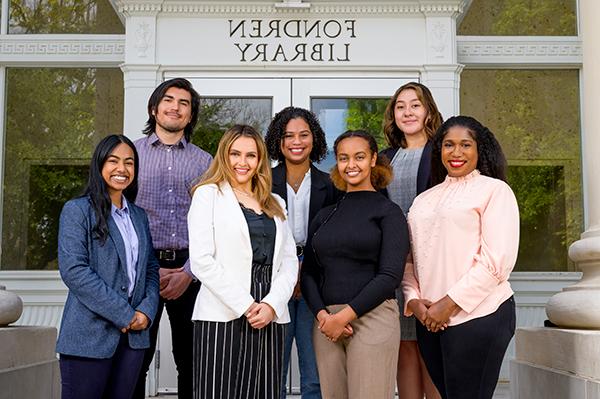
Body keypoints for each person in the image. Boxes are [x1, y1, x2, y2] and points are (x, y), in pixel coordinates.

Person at [403, 116, 519, 399]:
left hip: (480, 314)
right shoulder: (423, 200)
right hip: (430, 320)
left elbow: (496, 262)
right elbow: (410, 261)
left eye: (465, 145)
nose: (456, 153)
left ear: (479, 150)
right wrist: (414, 301)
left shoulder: (494, 190)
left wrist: (448, 303)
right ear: (438, 150)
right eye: (448, 145)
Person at [188, 124, 298, 399]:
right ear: (224, 156)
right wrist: (247, 305)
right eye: (235, 154)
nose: (242, 162)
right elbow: (201, 261)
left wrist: (272, 305)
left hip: (269, 312)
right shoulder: (207, 194)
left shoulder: (275, 202)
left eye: (251, 155)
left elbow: (288, 261)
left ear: (260, 160)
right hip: (223, 312)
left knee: (263, 392)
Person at [301, 130, 410, 399]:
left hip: (372, 318)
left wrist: (345, 316)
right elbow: (309, 274)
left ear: (374, 159)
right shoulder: (325, 215)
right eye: (343, 158)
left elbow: (390, 276)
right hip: (327, 324)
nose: (351, 165)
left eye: (359, 157)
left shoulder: (389, 212)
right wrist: (323, 317)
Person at [56, 134, 160, 399]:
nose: (122, 169)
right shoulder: (77, 210)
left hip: (134, 341)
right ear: (99, 164)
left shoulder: (138, 215)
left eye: (129, 162)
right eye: (113, 161)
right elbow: (74, 271)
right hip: (88, 338)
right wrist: (125, 314)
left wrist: (145, 313)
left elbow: (149, 270)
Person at [133, 78, 212, 399]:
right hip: (140, 271)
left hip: (190, 272)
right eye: (169, 100)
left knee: (192, 361)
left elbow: (212, 223)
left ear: (191, 116)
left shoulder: (204, 162)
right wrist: (149, 268)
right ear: (154, 108)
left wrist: (188, 272)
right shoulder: (130, 154)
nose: (175, 107)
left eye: (184, 103)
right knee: (136, 358)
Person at [265, 106, 340, 399]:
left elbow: (335, 239)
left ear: (315, 139)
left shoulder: (331, 184)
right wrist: (288, 273)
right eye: (288, 135)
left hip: (317, 286)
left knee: (315, 375)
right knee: (273, 373)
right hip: (273, 286)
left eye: (303, 135)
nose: (296, 141)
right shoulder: (262, 182)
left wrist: (304, 271)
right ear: (279, 141)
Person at [380, 82, 442, 399]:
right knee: (404, 345)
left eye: (415, 105)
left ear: (428, 110)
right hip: (396, 263)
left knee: (430, 345)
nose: (408, 111)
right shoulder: (384, 158)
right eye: (400, 106)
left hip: (433, 263)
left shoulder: (442, 153)